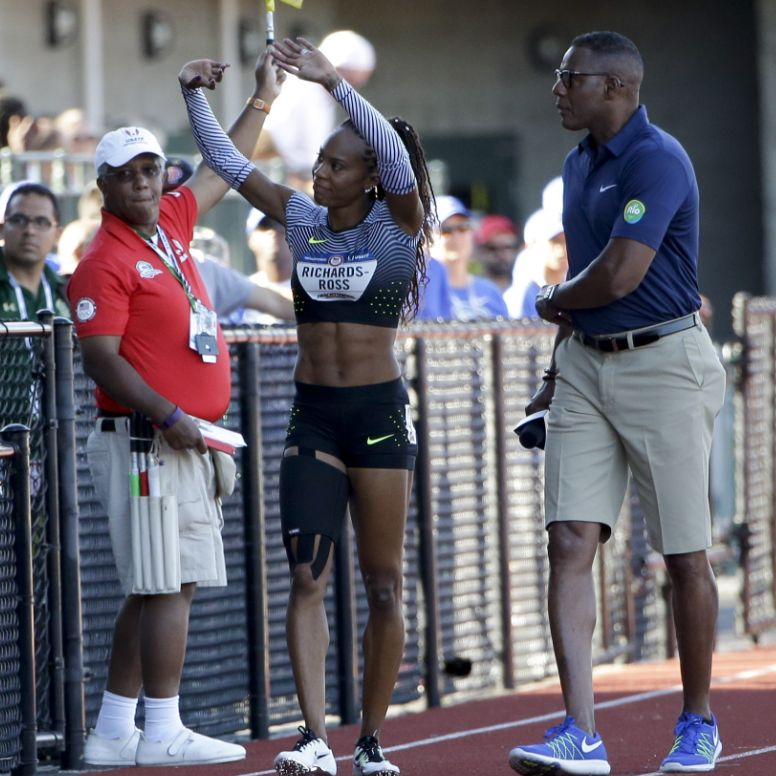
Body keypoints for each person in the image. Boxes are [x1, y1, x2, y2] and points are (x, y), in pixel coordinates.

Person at [179, 37, 435, 776]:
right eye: (318, 160)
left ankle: (373, 743)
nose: (318, 172)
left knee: (383, 582)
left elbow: (391, 149)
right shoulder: (300, 220)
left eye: (334, 164)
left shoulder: (399, 225)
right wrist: (194, 94)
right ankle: (314, 737)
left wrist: (332, 83)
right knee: (306, 575)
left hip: (379, 416)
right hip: (314, 416)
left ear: (368, 181)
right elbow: (229, 166)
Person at [507, 32, 726, 776]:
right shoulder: (577, 162)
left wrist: (548, 299)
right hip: (585, 367)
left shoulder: (657, 158)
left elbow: (620, 274)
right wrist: (552, 366)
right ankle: (580, 732)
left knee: (683, 554)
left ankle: (698, 720)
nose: (557, 89)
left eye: (570, 78)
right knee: (568, 540)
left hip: (663, 362)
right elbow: (584, 277)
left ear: (617, 87)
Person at [66, 52, 283, 768]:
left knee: (160, 583)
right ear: (102, 186)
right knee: (168, 584)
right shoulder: (104, 258)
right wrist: (169, 415)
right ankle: (162, 730)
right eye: (127, 173)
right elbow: (100, 358)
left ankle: (113, 731)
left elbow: (222, 168)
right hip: (149, 440)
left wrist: (260, 100)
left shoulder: (171, 224)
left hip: (178, 439)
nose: (141, 182)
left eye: (150, 169)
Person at [254, 29, 376, 192]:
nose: (351, 87)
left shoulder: (327, 97)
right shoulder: (299, 89)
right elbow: (281, 144)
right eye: (349, 80)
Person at [189, 224, 294, 322]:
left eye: (281, 228)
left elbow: (276, 302)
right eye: (265, 227)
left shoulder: (206, 267)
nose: (273, 232)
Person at [0, 182, 69, 319]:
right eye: (18, 220)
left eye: (41, 222)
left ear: (57, 234)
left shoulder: (67, 290)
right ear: (2, 229)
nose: (29, 231)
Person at [433, 195, 508, 320]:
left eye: (463, 227)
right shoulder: (421, 296)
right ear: (425, 239)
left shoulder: (490, 292)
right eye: (445, 230)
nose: (456, 236)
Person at [504, 207, 567, 319]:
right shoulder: (520, 297)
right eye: (554, 241)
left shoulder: (576, 289)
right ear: (531, 246)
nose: (562, 248)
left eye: (566, 239)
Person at [474, 213, 520, 292]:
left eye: (507, 247)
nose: (501, 255)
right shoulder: (473, 290)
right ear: (479, 252)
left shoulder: (523, 289)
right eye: (492, 248)